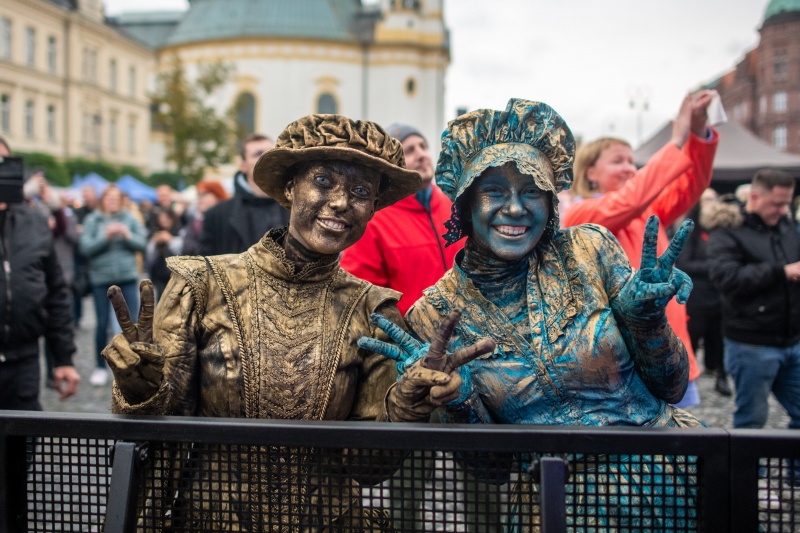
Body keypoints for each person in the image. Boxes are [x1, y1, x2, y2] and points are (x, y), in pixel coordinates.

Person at [101, 114, 491, 531]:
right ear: (290, 187)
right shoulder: (203, 286)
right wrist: (141, 389)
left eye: (361, 192)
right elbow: (159, 440)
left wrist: (404, 408)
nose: (340, 202)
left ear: (374, 208)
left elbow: (368, 468)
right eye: (323, 182)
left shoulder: (374, 311)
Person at [361, 98, 703, 530]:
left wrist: (647, 321)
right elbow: (489, 470)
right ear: (466, 204)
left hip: (670, 477)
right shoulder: (433, 314)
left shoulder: (589, 250)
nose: (515, 208)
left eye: (532, 191)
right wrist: (458, 402)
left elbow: (672, 386)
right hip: (557, 505)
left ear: (550, 201)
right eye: (495, 192)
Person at [562, 90, 720, 408]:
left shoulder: (647, 210)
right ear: (590, 173)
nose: (630, 168)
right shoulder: (581, 214)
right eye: (618, 160)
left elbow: (692, 183)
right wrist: (676, 141)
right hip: (623, 362)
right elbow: (631, 200)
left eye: (632, 161)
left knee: (681, 438)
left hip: (670, 349)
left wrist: (698, 134)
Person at [707, 169, 800, 508]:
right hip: (750, 344)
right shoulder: (728, 231)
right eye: (776, 204)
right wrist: (781, 272)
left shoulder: (787, 228)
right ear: (756, 197)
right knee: (751, 421)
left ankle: (794, 481)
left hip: (791, 340)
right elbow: (725, 277)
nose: (782, 210)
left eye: (786, 204)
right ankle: (750, 487)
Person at [341, 123, 464, 314]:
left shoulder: (454, 206)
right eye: (409, 151)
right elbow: (360, 299)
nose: (421, 154)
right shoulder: (372, 220)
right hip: (411, 332)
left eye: (423, 146)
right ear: (392, 167)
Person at [0, 136, 80, 409]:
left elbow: (55, 292)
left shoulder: (33, 222)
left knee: (22, 434)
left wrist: (64, 358)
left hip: (23, 362)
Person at [79, 184, 148, 386]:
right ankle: (100, 366)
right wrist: (105, 236)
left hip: (126, 276)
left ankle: (135, 364)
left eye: (116, 198)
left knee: (133, 322)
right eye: (109, 198)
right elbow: (85, 248)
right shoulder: (93, 219)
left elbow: (142, 244)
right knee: (102, 323)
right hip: (101, 278)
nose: (113, 202)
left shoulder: (130, 218)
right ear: (103, 200)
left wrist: (127, 235)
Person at [675, 188, 732, 396]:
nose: (711, 203)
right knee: (693, 336)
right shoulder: (690, 230)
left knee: (719, 338)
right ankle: (685, 380)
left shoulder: (722, 230)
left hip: (720, 294)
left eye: (714, 199)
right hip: (697, 296)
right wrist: (716, 267)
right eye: (706, 199)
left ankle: (721, 376)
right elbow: (684, 263)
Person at [199, 133, 290, 255]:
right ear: (243, 166)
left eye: (271, 153)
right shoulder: (217, 216)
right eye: (258, 154)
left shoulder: (295, 209)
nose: (267, 159)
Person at [181, 180, 228, 256]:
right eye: (198, 195)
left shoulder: (228, 220)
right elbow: (188, 247)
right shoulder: (196, 223)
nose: (199, 199)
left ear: (217, 196)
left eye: (203, 194)